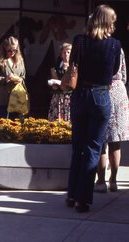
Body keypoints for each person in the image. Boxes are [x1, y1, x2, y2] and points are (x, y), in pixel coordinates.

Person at [66, 5, 122, 213]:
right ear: (108, 22)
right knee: (92, 148)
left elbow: (73, 64)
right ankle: (82, 199)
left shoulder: (79, 41)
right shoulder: (115, 45)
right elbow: (114, 70)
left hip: (80, 95)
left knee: (78, 146)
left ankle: (72, 194)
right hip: (100, 95)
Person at [95, 49, 129, 193]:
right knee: (115, 141)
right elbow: (124, 75)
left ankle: (101, 182)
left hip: (101, 90)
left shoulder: (94, 48)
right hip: (118, 91)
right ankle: (113, 181)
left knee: (100, 141)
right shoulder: (118, 48)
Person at [0, 36, 26, 119]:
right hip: (3, 99)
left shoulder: (20, 60)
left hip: (17, 98)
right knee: (3, 126)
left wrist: (20, 80)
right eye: (10, 50)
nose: (12, 52)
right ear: (5, 48)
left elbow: (23, 77)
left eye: (15, 50)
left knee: (16, 126)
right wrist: (5, 79)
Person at [48, 43, 72, 122]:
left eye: (68, 52)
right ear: (61, 54)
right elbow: (53, 77)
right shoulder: (57, 66)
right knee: (56, 119)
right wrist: (53, 84)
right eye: (64, 52)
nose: (66, 54)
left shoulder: (73, 67)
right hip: (58, 96)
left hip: (69, 96)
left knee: (68, 118)